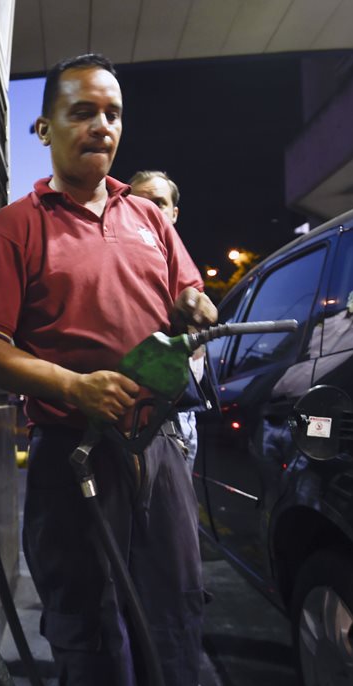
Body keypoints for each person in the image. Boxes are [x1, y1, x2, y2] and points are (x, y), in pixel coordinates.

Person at [0, 54, 238, 686]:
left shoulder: (147, 218)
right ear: (45, 128)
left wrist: (196, 305)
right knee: (90, 611)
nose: (101, 126)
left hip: (157, 445)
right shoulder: (15, 230)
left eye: (112, 113)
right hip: (74, 452)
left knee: (174, 595)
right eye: (82, 112)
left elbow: (188, 291)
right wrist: (72, 385)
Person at [127, 170, 207, 474]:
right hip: (130, 413)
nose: (149, 211)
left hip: (179, 413)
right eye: (139, 203)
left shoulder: (181, 265)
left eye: (159, 203)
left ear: (174, 213)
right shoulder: (118, 260)